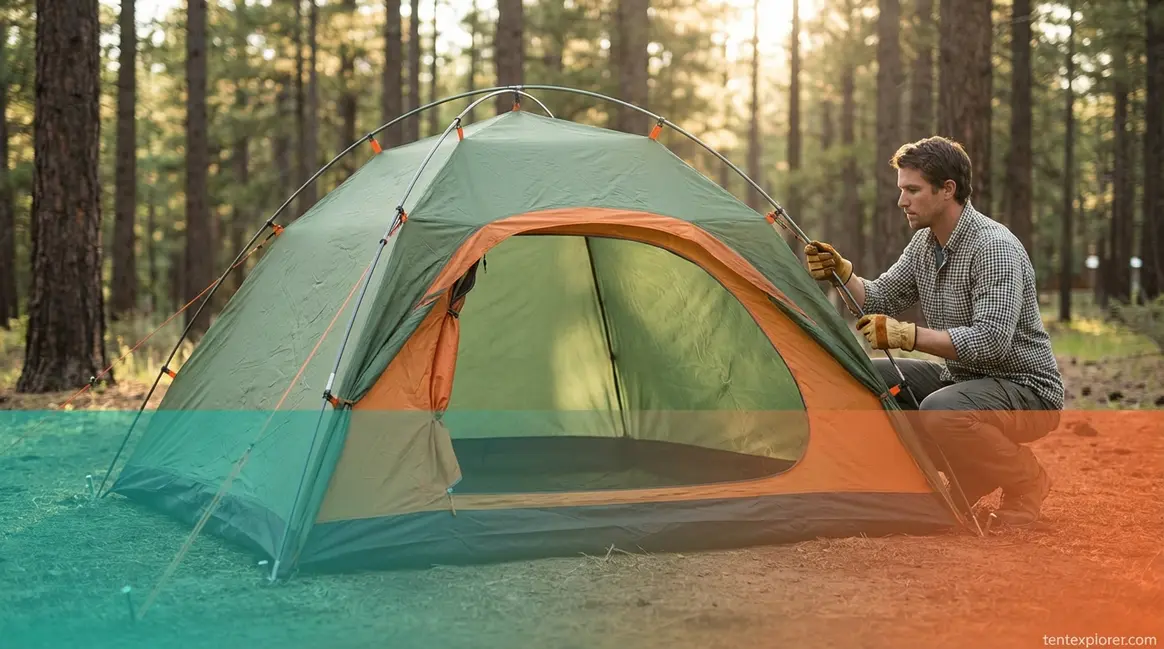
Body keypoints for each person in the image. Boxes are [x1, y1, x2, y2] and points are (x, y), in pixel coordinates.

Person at [803, 136, 1064, 528]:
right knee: (865, 378)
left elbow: (991, 342)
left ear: (947, 190)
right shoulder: (925, 244)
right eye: (901, 190)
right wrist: (842, 274)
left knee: (942, 411)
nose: (902, 201)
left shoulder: (994, 248)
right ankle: (972, 474)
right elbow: (879, 297)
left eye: (913, 190)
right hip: (963, 381)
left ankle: (1026, 480)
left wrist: (907, 336)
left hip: (1027, 390)